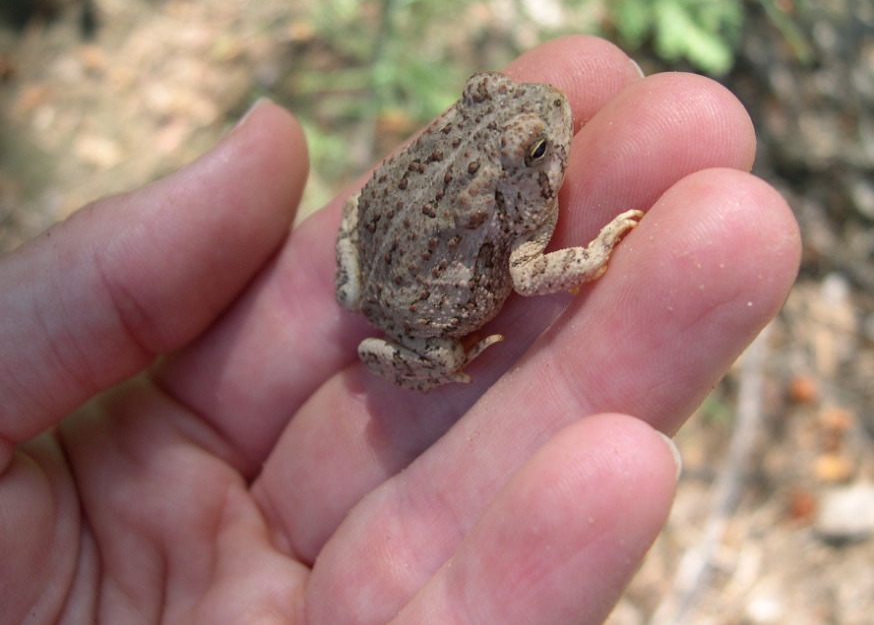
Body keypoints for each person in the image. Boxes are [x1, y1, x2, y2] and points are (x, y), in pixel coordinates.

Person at [0, 36, 800, 624]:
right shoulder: (517, 203)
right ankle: (426, 359)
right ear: (516, 164)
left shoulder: (511, 180)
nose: (551, 118)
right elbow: (524, 272)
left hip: (365, 255)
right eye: (531, 141)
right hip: (413, 310)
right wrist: (590, 253)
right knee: (441, 348)